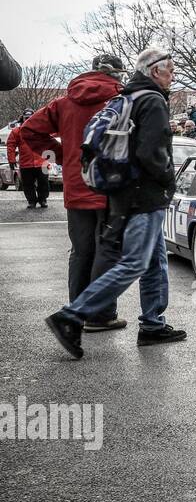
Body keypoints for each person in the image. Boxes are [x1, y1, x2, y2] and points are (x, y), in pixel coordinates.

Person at [44, 49, 187, 359]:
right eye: (170, 70)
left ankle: (152, 323)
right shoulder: (152, 101)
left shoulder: (129, 96)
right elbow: (152, 154)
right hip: (144, 195)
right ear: (154, 71)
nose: (173, 75)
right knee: (135, 262)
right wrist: (167, 181)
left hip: (125, 191)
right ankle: (71, 315)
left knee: (155, 262)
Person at [20, 54, 127, 331]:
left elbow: (28, 130)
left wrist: (61, 154)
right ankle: (101, 314)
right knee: (108, 250)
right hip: (109, 186)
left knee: (81, 251)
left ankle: (76, 312)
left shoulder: (64, 102)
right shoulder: (121, 101)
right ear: (116, 74)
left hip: (76, 184)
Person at [7, 110, 50, 209]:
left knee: (44, 183)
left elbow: (49, 144)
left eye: (31, 117)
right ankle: (32, 201)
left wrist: (50, 160)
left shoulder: (42, 130)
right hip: (26, 163)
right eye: (26, 118)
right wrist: (11, 160)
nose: (28, 119)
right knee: (27, 184)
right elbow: (11, 145)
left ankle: (43, 200)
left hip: (42, 163)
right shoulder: (17, 131)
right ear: (23, 119)